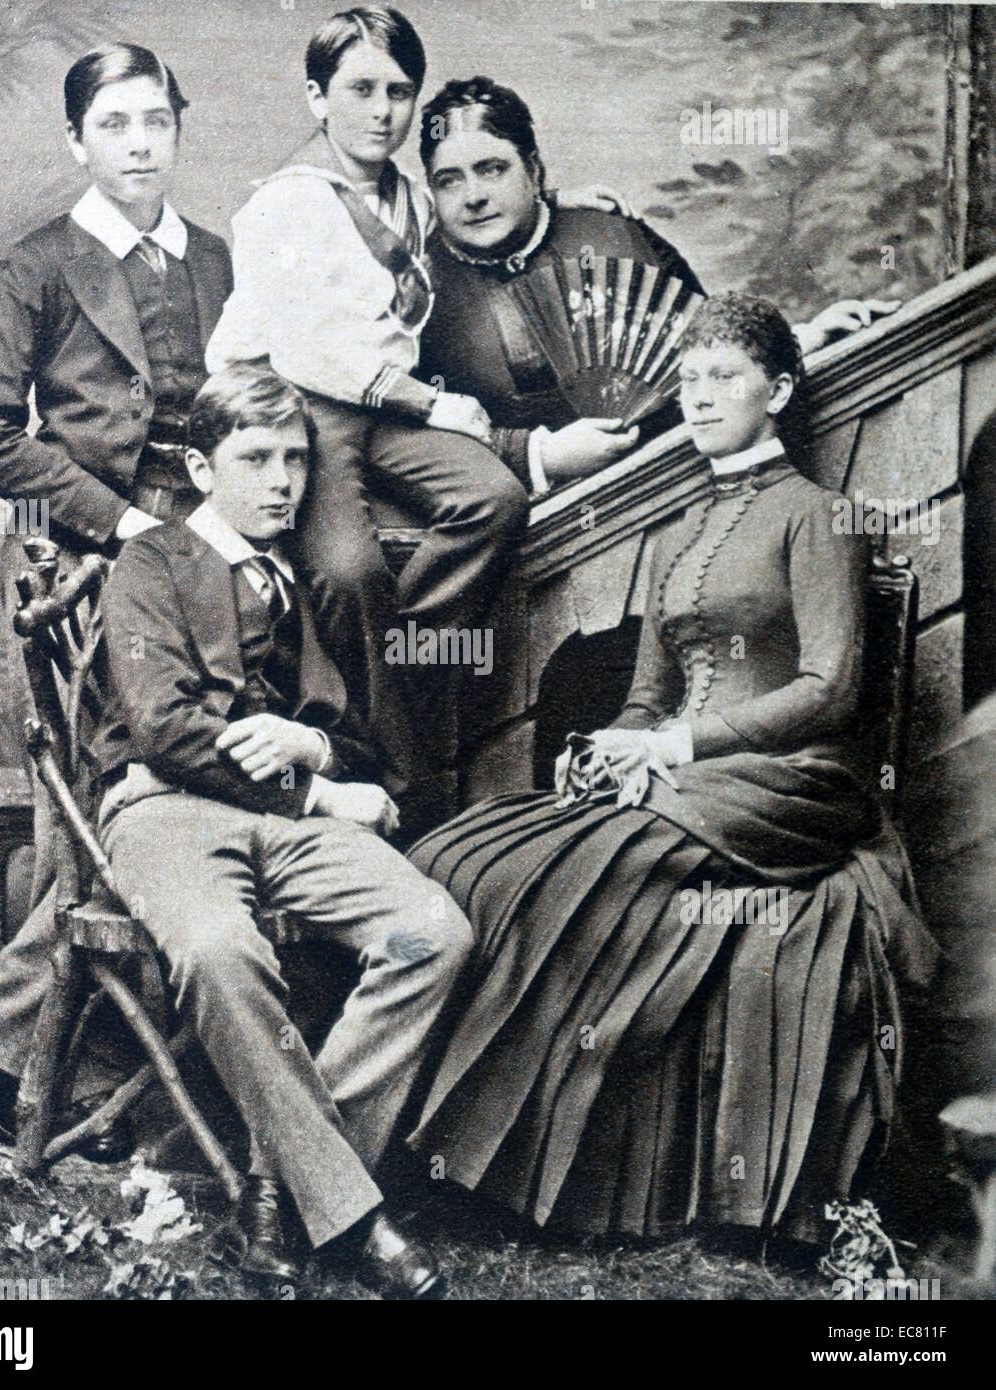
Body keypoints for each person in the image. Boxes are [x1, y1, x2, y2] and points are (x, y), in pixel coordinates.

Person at [404, 293, 938, 1241]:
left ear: (775, 391)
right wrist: (612, 746)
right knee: (470, 855)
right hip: (680, 775)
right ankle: (454, 1159)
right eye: (687, 380)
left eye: (723, 378)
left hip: (790, 783)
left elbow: (833, 688)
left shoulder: (815, 516)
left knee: (558, 876)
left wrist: (678, 746)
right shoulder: (684, 532)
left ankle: (517, 1177)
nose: (698, 398)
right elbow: (648, 697)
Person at [90, 362, 472, 1296]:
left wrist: (312, 746)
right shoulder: (150, 564)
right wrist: (313, 795)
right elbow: (166, 730)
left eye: (296, 459)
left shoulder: (310, 580)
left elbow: (361, 743)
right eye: (254, 458)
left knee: (435, 933)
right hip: (166, 810)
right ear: (199, 465)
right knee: (221, 950)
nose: (282, 482)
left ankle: (282, 1188)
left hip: (291, 819)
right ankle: (356, 1217)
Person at [0, 43, 232, 1155]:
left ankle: (2, 1040)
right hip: (82, 565)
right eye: (114, 125)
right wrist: (117, 518)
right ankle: (46, 1047)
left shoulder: (218, 260)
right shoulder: (40, 264)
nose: (140, 143)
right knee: (119, 787)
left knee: (178, 777)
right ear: (76, 143)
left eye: (157, 120)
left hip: (205, 558)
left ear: (178, 130)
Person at [206, 9, 615, 789]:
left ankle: (394, 680)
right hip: (298, 405)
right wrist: (429, 405)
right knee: (350, 569)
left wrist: (565, 206)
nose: (382, 111)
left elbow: (474, 225)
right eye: (359, 89)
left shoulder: (412, 198)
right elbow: (307, 348)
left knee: (494, 498)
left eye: (399, 91)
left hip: (384, 411)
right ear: (317, 98)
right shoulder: (282, 205)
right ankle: (401, 764)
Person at [418, 77, 900, 496]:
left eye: (492, 169)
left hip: (666, 483)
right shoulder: (413, 288)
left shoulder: (613, 235)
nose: (474, 196)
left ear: (535, 170)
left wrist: (798, 342)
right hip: (519, 525)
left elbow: (708, 340)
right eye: (449, 180)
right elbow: (406, 443)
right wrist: (538, 456)